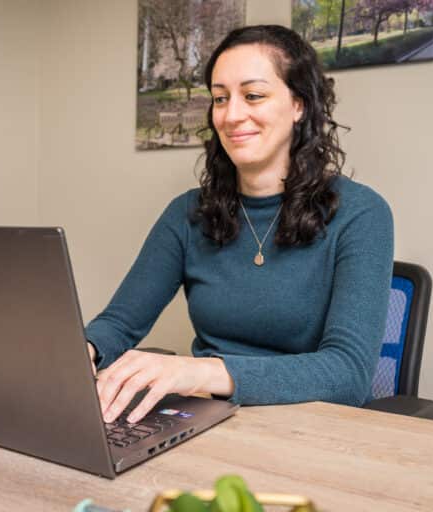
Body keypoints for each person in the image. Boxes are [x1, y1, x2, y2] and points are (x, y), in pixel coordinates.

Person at [85, 25, 393, 425]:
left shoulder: (361, 213)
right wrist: (81, 351)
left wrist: (201, 371)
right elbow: (118, 324)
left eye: (253, 96)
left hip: (316, 432)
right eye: (219, 98)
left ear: (299, 104)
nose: (231, 115)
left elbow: (347, 375)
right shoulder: (186, 214)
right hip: (209, 420)